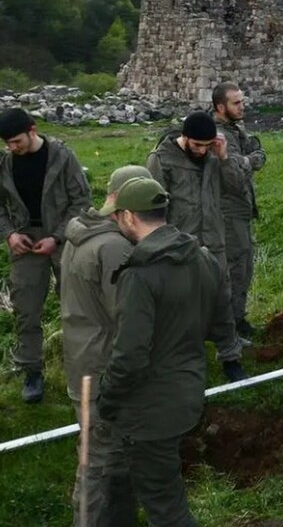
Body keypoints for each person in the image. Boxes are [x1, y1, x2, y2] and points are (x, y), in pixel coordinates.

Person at [83, 176, 232, 527]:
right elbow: (222, 325)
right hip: (188, 393)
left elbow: (131, 354)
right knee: (122, 481)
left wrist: (107, 398)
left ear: (130, 217)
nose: (116, 223)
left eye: (117, 216)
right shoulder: (203, 258)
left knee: (166, 508)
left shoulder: (141, 275)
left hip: (149, 410)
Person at [61, 164, 149, 524]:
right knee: (98, 462)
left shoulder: (81, 233)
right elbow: (126, 313)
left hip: (82, 358)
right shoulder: (113, 247)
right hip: (102, 367)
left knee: (104, 453)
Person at [0, 107, 92, 403]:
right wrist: (10, 234)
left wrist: (57, 237)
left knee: (77, 307)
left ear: (33, 130)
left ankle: (82, 368)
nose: (12, 148)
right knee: (26, 309)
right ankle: (32, 372)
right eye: (7, 143)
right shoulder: (5, 164)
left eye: (16, 141)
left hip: (65, 241)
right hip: (24, 243)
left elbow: (81, 201)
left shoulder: (63, 158)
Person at [147, 111, 247, 381]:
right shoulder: (161, 159)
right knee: (181, 305)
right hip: (179, 244)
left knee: (222, 298)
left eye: (207, 145)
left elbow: (237, 188)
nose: (202, 151)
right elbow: (153, 209)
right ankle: (183, 362)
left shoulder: (216, 155)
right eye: (197, 146)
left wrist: (225, 158)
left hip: (214, 241)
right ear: (185, 137)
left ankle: (230, 356)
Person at [212, 81, 267, 339]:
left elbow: (259, 152)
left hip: (241, 209)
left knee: (244, 266)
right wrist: (248, 161)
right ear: (221, 107)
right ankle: (229, 326)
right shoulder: (219, 136)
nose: (242, 106)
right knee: (235, 268)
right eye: (236, 103)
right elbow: (233, 178)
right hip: (228, 211)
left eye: (242, 101)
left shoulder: (235, 129)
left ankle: (238, 317)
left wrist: (247, 160)